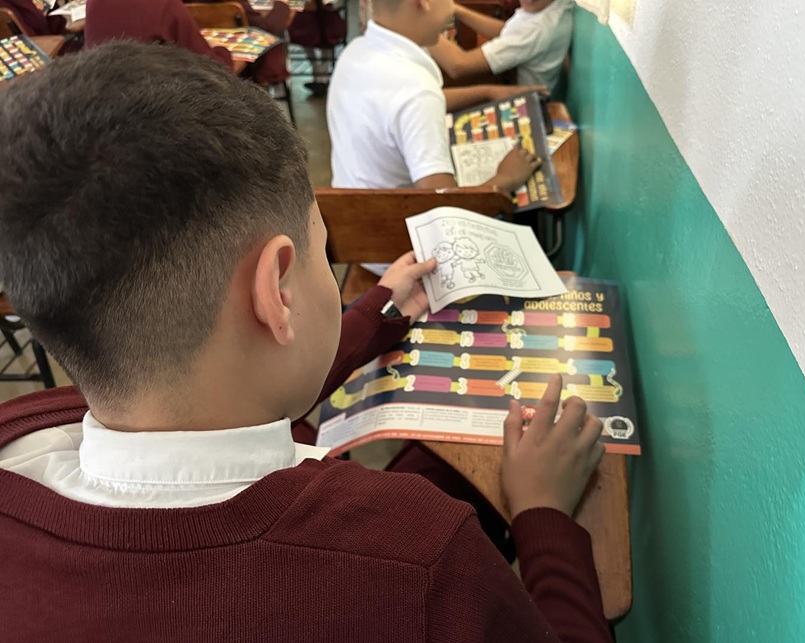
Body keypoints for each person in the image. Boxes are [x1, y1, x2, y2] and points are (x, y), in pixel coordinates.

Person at [0, 43, 611, 642]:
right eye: (324, 248)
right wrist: (544, 514)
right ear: (277, 289)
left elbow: (235, 375)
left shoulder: (25, 430)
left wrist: (382, 308)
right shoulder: (419, 557)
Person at [327, 0, 544, 191]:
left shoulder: (355, 51)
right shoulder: (417, 92)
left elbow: (400, 109)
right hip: (395, 220)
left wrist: (487, 92)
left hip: (351, 211)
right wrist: (505, 178)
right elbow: (443, 207)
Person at [429, 0, 574, 97]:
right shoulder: (552, 8)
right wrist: (456, 9)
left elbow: (458, 66)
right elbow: (508, 31)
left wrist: (423, 25)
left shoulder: (537, 28)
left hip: (527, 103)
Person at [85, 0, 233, 69]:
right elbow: (213, 69)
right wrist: (223, 52)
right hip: (151, 108)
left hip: (95, 104)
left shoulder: (93, 3)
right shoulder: (165, 5)